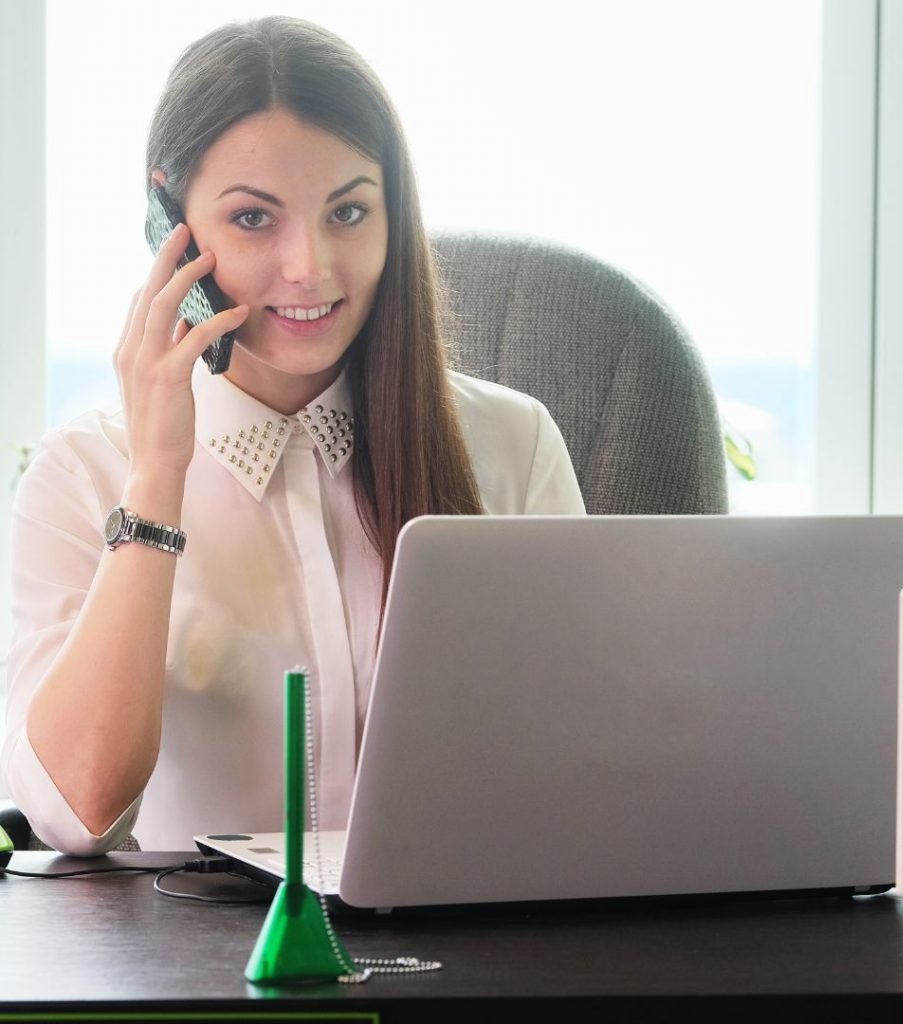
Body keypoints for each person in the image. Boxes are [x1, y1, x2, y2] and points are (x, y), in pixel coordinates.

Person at [1, 16, 585, 856]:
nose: (308, 266)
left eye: (348, 212)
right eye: (252, 220)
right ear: (168, 215)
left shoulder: (512, 445)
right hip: (199, 974)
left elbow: (592, 766)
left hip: (461, 964)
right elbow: (77, 813)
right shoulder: (85, 474)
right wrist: (158, 477)